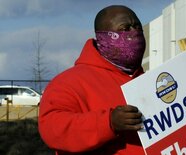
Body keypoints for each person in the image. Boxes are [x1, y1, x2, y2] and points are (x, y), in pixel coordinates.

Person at [38, 5, 146, 155]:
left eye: (137, 27)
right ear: (103, 37)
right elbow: (52, 129)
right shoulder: (68, 82)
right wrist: (108, 122)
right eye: (125, 28)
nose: (134, 33)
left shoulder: (148, 80)